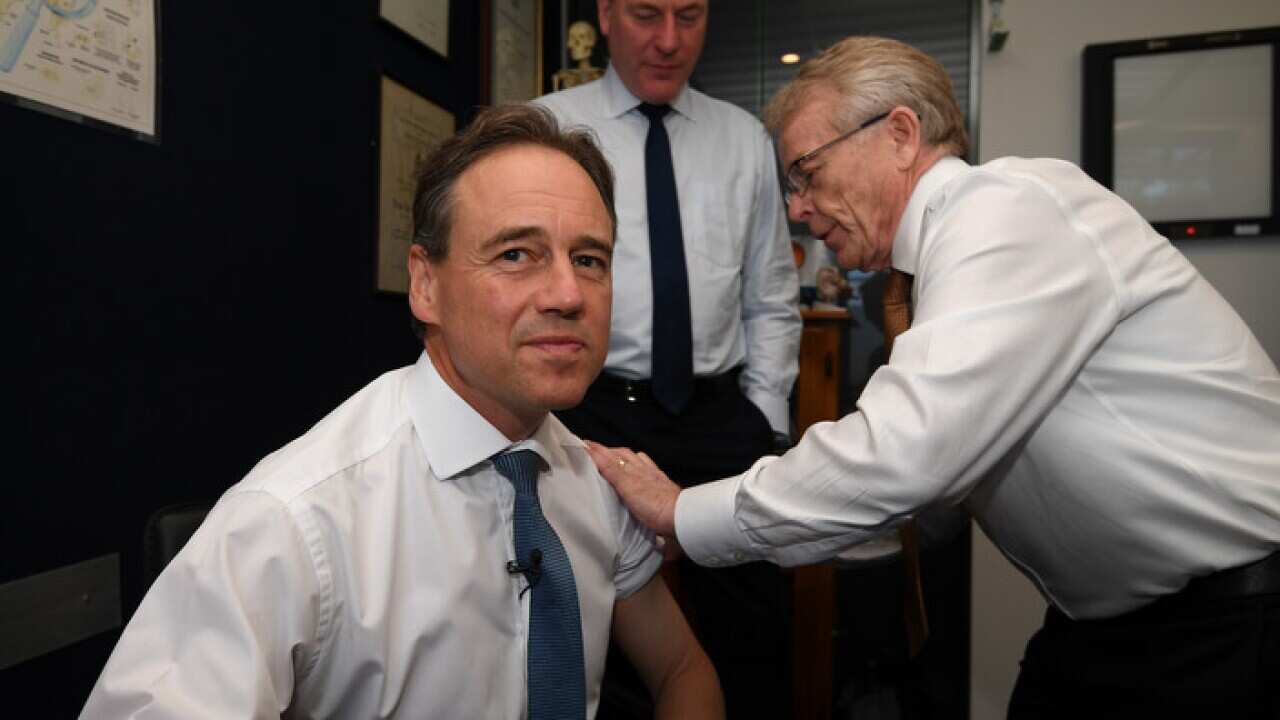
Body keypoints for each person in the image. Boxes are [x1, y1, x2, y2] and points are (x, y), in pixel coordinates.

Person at [590, 35, 1280, 718]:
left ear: (898, 133)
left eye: (806, 171)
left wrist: (683, 515)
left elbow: (904, 454)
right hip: (1115, 629)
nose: (797, 208)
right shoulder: (928, 270)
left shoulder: (1007, 209)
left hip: (1232, 624)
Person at [80, 104, 723, 719]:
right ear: (426, 284)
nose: (566, 293)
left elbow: (683, 672)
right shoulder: (295, 520)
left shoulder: (598, 484)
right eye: (516, 254)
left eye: (589, 260)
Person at [537, 1, 802, 716]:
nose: (668, 40)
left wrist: (765, 420)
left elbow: (772, 294)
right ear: (606, 14)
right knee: (600, 625)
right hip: (592, 415)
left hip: (721, 418)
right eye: (647, 14)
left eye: (689, 16)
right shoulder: (549, 129)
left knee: (752, 630)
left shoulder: (744, 138)